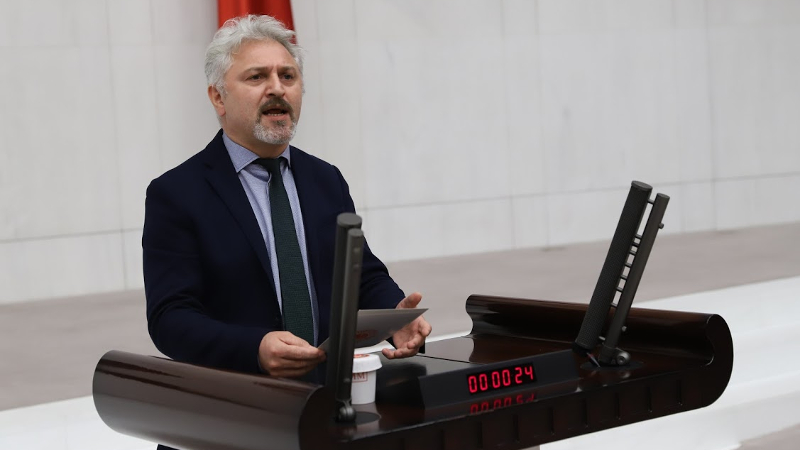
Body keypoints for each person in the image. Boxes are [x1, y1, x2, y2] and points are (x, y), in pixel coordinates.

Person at [142, 14, 431, 382]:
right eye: (257, 77)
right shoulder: (176, 194)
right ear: (218, 97)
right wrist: (254, 349)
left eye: (288, 76)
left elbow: (361, 277)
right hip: (239, 399)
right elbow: (170, 318)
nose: (277, 88)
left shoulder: (326, 179)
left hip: (328, 393)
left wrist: (396, 316)